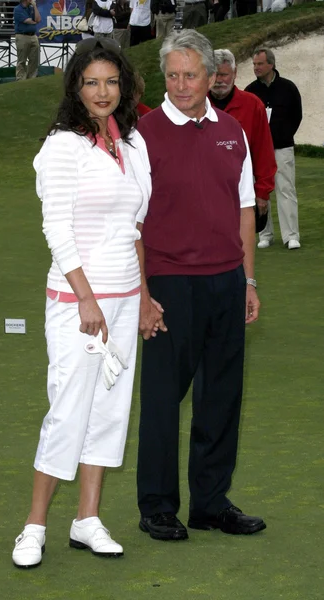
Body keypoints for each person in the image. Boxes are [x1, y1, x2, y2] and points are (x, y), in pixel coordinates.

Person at [12, 37, 155, 569]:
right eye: (91, 81)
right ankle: (34, 526)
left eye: (111, 81)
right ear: (75, 86)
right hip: (78, 304)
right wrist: (87, 300)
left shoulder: (133, 146)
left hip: (122, 300)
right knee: (68, 412)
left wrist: (143, 297)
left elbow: (133, 229)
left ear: (124, 86)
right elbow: (58, 231)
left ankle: (87, 519)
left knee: (109, 413)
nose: (102, 92)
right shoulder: (61, 147)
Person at [136, 29, 266, 541]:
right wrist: (144, 295)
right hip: (169, 283)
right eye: (172, 75)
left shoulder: (233, 130)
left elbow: (245, 210)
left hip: (226, 282)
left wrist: (248, 280)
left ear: (212, 77)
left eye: (191, 74)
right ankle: (158, 506)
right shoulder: (143, 134)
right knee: (165, 399)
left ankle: (210, 504)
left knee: (221, 397)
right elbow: (133, 221)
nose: (181, 84)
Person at [209, 49, 276, 228]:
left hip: (241, 192)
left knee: (241, 250)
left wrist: (262, 193)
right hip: (202, 192)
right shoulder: (195, 105)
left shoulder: (253, 105)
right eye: (214, 74)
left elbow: (264, 153)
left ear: (235, 73)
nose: (218, 80)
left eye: (224, 74)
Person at [245, 48, 302, 249]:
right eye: (254, 64)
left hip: (282, 147)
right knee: (260, 192)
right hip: (257, 151)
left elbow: (297, 115)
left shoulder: (288, 88)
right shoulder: (250, 91)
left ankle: (291, 235)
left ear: (271, 64)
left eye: (259, 64)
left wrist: (284, 135)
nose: (256, 68)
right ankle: (265, 234)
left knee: (285, 189)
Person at [13, 0, 41, 81]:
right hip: (22, 36)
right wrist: (34, 21)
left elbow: (38, 19)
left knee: (34, 60)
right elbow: (28, 21)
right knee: (22, 60)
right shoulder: (18, 9)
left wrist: (35, 6)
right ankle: (21, 79)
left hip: (33, 36)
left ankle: (32, 79)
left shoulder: (31, 8)